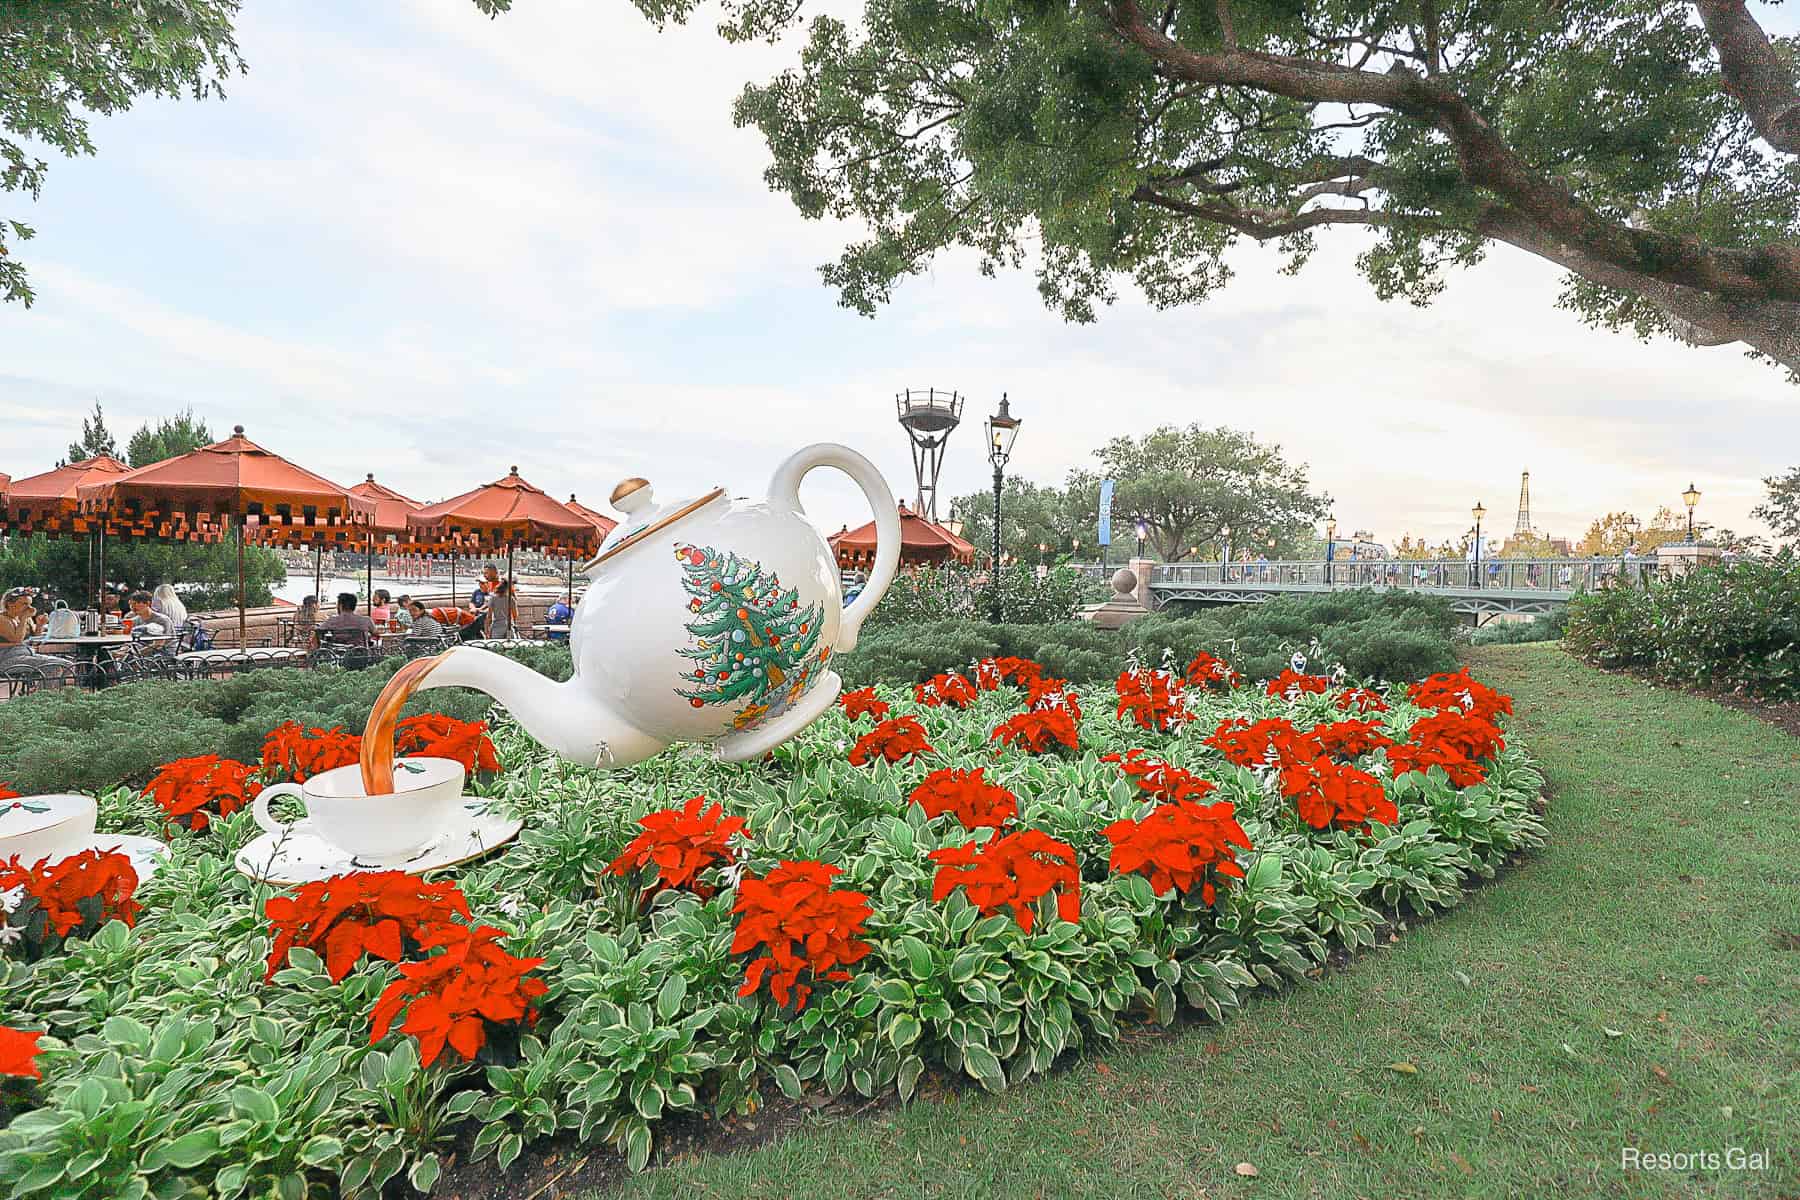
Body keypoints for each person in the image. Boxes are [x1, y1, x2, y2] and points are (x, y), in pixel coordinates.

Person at [0, 587, 71, 681]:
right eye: (24, 604)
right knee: (55, 666)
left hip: (26, 655)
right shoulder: (3, 619)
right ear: (10, 603)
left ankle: (42, 693)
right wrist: (24, 618)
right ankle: (44, 694)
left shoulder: (22, 618)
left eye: (30, 604)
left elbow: (34, 637)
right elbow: (17, 639)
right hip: (6, 660)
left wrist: (40, 625)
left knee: (67, 664)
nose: (30, 608)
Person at [313, 592, 377, 648]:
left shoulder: (332, 620)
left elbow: (317, 632)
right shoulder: (366, 620)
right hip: (361, 656)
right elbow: (376, 634)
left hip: (339, 656)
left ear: (340, 605)